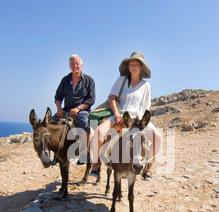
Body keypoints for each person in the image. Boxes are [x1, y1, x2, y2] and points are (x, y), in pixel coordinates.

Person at [90, 52, 162, 180]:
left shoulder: (146, 85)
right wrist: (117, 114)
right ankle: (95, 165)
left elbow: (146, 107)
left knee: (158, 137)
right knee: (99, 132)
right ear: (128, 67)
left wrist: (140, 123)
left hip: (138, 120)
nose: (133, 67)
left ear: (141, 67)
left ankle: (148, 169)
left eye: (136, 65)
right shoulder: (121, 80)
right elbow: (112, 97)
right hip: (119, 115)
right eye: (131, 64)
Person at [53, 55, 95, 164]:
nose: (75, 66)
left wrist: (78, 108)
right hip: (66, 109)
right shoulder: (65, 80)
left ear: (81, 65)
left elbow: (91, 100)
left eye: (77, 63)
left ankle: (84, 153)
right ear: (69, 66)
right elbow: (58, 96)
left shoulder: (89, 80)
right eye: (72, 64)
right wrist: (59, 109)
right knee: (51, 123)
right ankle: (56, 154)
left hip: (82, 111)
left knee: (85, 124)